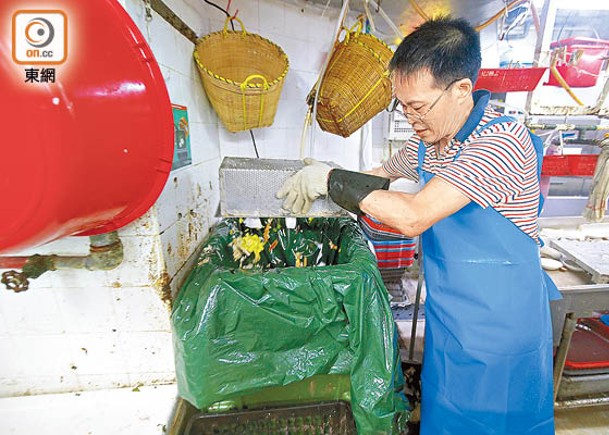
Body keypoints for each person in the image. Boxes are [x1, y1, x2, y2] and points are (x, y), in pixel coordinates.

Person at [277, 16, 560, 435]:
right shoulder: (426, 141)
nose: (410, 117)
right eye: (402, 106)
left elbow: (415, 216)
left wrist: (333, 180)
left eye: (419, 106)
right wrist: (329, 187)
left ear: (462, 89)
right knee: (445, 419)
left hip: (502, 333)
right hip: (449, 323)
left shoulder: (502, 142)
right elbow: (376, 178)